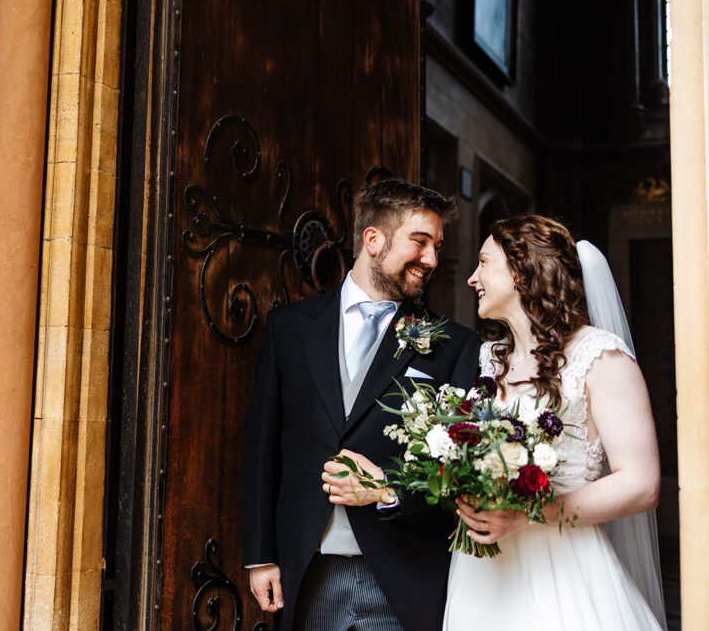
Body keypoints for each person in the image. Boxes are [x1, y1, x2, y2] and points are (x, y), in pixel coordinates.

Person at [243, 179, 481, 631]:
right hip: (306, 569)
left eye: (437, 246)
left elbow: (459, 470)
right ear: (373, 239)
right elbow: (262, 447)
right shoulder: (288, 329)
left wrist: (390, 489)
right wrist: (260, 556)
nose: (432, 259)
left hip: (405, 572)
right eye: (420, 241)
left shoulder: (454, 345)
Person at [444, 214, 665, 630]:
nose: (472, 278)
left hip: (564, 569)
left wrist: (528, 515)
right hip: (483, 577)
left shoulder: (600, 358)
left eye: (484, 263)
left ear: (522, 270)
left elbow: (642, 484)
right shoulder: (489, 360)